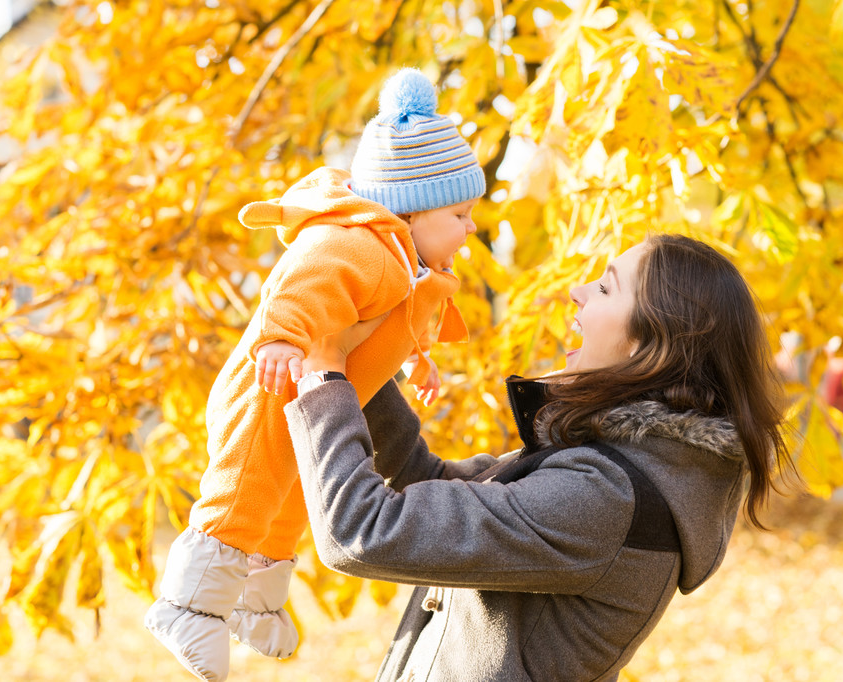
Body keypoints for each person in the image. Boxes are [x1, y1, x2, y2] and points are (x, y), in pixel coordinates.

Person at [284, 234, 792, 681]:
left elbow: (361, 529)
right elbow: (428, 483)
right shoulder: (612, 464)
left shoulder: (606, 498)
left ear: (653, 342)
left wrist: (324, 378)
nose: (577, 291)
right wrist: (359, 361)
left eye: (606, 287)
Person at [145, 68, 485, 682]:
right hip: (268, 389)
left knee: (292, 504)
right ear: (413, 210)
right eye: (460, 213)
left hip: (310, 400)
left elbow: (397, 319)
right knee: (243, 497)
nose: (471, 228)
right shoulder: (356, 247)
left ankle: (257, 601)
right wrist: (278, 338)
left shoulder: (402, 262)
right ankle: (187, 606)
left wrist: (418, 359)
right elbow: (302, 282)